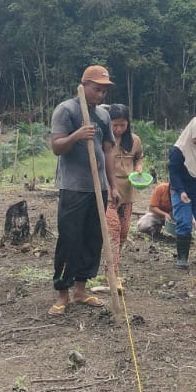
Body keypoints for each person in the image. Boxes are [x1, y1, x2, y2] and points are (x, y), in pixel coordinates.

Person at [48, 65, 120, 316]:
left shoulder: (103, 115)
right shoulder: (66, 110)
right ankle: (63, 292)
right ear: (84, 85)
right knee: (70, 238)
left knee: (93, 239)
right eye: (97, 89)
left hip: (97, 187)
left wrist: (112, 185)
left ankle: (81, 290)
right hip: (74, 187)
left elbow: (109, 150)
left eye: (104, 91)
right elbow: (56, 147)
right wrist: (77, 135)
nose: (101, 95)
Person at [168, 117, 196, 269]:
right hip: (182, 190)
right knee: (184, 224)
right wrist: (180, 191)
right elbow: (173, 173)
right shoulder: (179, 150)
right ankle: (182, 258)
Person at [107, 104, 145, 245]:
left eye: (122, 125)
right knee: (113, 230)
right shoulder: (104, 140)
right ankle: (111, 267)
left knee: (123, 231)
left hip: (128, 190)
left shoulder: (135, 140)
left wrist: (138, 168)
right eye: (115, 125)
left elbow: (139, 157)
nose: (118, 129)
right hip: (108, 188)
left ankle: (114, 262)